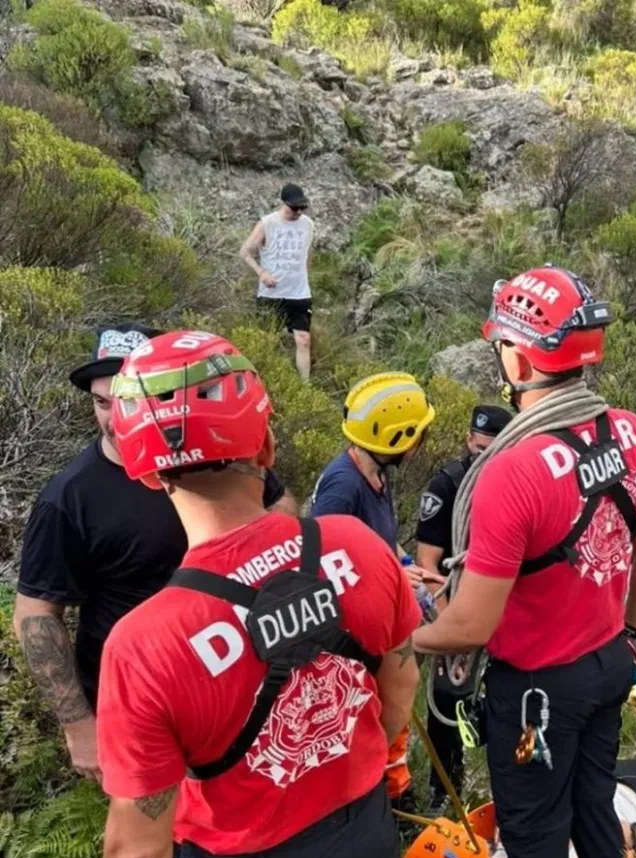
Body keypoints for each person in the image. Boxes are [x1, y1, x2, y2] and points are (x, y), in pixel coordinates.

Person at [97, 329, 432, 858]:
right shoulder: (355, 546)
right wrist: (350, 762)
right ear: (267, 447)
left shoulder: (147, 643)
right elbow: (401, 683)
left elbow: (137, 845)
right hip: (363, 831)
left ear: (146, 474)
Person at [412, 266, 636, 858]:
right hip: (609, 662)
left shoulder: (513, 471)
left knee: (533, 832)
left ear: (520, 358)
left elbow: (471, 625)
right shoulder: (635, 434)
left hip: (536, 690)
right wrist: (631, 632)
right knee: (593, 805)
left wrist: (400, 634)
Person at [13, 324, 295, 782]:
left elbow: (277, 501)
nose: (113, 418)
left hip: (238, 678)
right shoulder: (69, 497)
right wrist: (78, 726)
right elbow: (35, 614)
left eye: (126, 401)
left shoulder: (208, 450)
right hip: (140, 702)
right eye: (102, 403)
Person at [311, 371, 441, 815]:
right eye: (417, 434)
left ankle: (394, 793)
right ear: (395, 438)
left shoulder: (375, 475)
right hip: (354, 629)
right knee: (379, 709)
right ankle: (379, 801)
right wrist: (390, 581)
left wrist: (404, 565)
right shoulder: (343, 487)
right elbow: (322, 561)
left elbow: (379, 539)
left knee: (395, 706)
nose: (421, 442)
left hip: (379, 611)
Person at [415, 403, 513, 815]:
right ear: (467, 440)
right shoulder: (448, 485)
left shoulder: (516, 484)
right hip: (457, 601)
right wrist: (448, 623)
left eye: (490, 450)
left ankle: (504, 784)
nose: (480, 457)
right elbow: (428, 561)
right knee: (448, 699)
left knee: (506, 698)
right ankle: (444, 790)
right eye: (477, 447)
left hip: (506, 607)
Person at [239, 183, 315, 382]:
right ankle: (263, 381)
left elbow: (307, 254)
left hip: (299, 293)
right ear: (284, 203)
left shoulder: (308, 224)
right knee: (266, 340)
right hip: (271, 293)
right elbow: (245, 252)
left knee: (304, 340)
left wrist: (305, 276)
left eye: (302, 208)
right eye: (294, 208)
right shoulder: (268, 223)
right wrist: (261, 273)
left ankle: (305, 385)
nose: (298, 212)